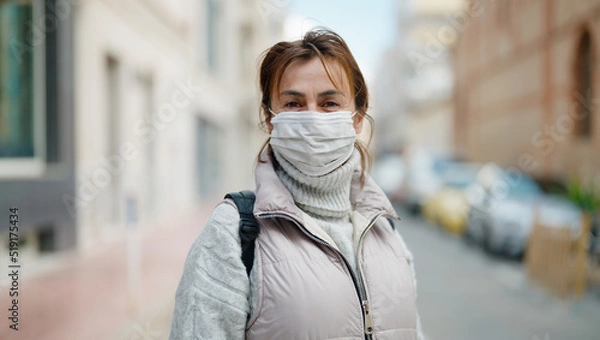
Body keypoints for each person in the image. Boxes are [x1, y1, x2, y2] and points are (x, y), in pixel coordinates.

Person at [169, 28, 423, 340]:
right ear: (268, 117)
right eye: (293, 104)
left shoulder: (386, 233)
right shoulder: (233, 234)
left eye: (329, 103)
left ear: (357, 119)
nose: (312, 117)